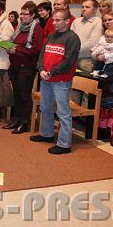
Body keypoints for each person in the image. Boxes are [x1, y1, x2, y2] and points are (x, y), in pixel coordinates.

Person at [32, 8, 80, 154]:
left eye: (58, 20)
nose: (54, 22)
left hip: (61, 80)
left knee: (63, 111)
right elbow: (41, 56)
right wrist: (41, 70)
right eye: (54, 19)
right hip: (46, 78)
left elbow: (68, 61)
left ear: (67, 21)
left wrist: (51, 72)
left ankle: (65, 144)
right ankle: (46, 134)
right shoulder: (51, 36)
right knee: (45, 107)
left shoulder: (72, 38)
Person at [4, 1, 44, 134]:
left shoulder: (36, 28)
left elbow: (36, 49)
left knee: (24, 95)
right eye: (21, 14)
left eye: (26, 14)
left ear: (33, 15)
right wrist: (9, 46)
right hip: (15, 65)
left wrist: (17, 51)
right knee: (17, 94)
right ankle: (17, 119)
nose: (22, 16)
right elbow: (16, 43)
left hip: (26, 67)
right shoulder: (20, 26)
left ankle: (24, 122)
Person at [70, 0, 103, 72]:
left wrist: (75, 50)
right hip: (72, 57)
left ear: (95, 10)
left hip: (87, 58)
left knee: (83, 82)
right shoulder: (76, 21)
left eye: (87, 7)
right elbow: (70, 38)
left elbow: (93, 42)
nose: (84, 9)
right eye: (83, 7)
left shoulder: (98, 22)